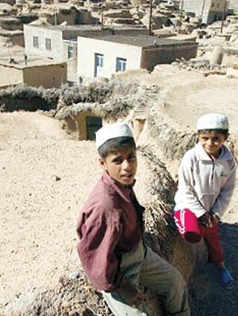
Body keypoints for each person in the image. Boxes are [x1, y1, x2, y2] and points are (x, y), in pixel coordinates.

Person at [76, 122, 190, 316]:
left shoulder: (121, 184)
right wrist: (121, 285)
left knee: (174, 282)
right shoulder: (105, 207)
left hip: (138, 253)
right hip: (117, 269)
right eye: (118, 160)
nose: (127, 167)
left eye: (131, 157)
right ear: (102, 163)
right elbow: (95, 258)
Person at [173, 113, 237, 290]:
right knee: (192, 234)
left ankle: (220, 266)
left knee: (214, 241)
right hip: (189, 207)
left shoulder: (228, 162)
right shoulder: (191, 158)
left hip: (211, 210)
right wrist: (200, 213)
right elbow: (185, 189)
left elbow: (227, 190)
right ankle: (179, 220)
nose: (210, 143)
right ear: (198, 137)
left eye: (216, 138)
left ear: (226, 138)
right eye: (205, 138)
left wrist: (216, 213)